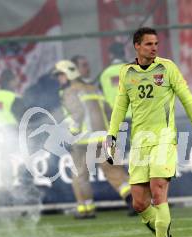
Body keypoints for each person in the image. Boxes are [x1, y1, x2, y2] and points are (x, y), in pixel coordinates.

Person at [104, 27, 192, 237]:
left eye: (156, 43)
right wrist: (111, 135)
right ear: (137, 46)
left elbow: (187, 98)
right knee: (139, 204)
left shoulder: (167, 68)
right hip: (140, 143)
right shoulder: (127, 73)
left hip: (163, 139)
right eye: (149, 44)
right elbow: (120, 106)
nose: (155, 47)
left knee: (157, 191)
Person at [52, 60, 135, 219]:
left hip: (83, 141)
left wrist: (71, 135)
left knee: (80, 175)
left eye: (60, 75)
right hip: (105, 137)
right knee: (114, 171)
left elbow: (77, 114)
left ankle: (85, 209)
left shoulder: (69, 91)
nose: (59, 79)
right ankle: (135, 201)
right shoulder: (94, 89)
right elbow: (109, 111)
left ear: (68, 75)